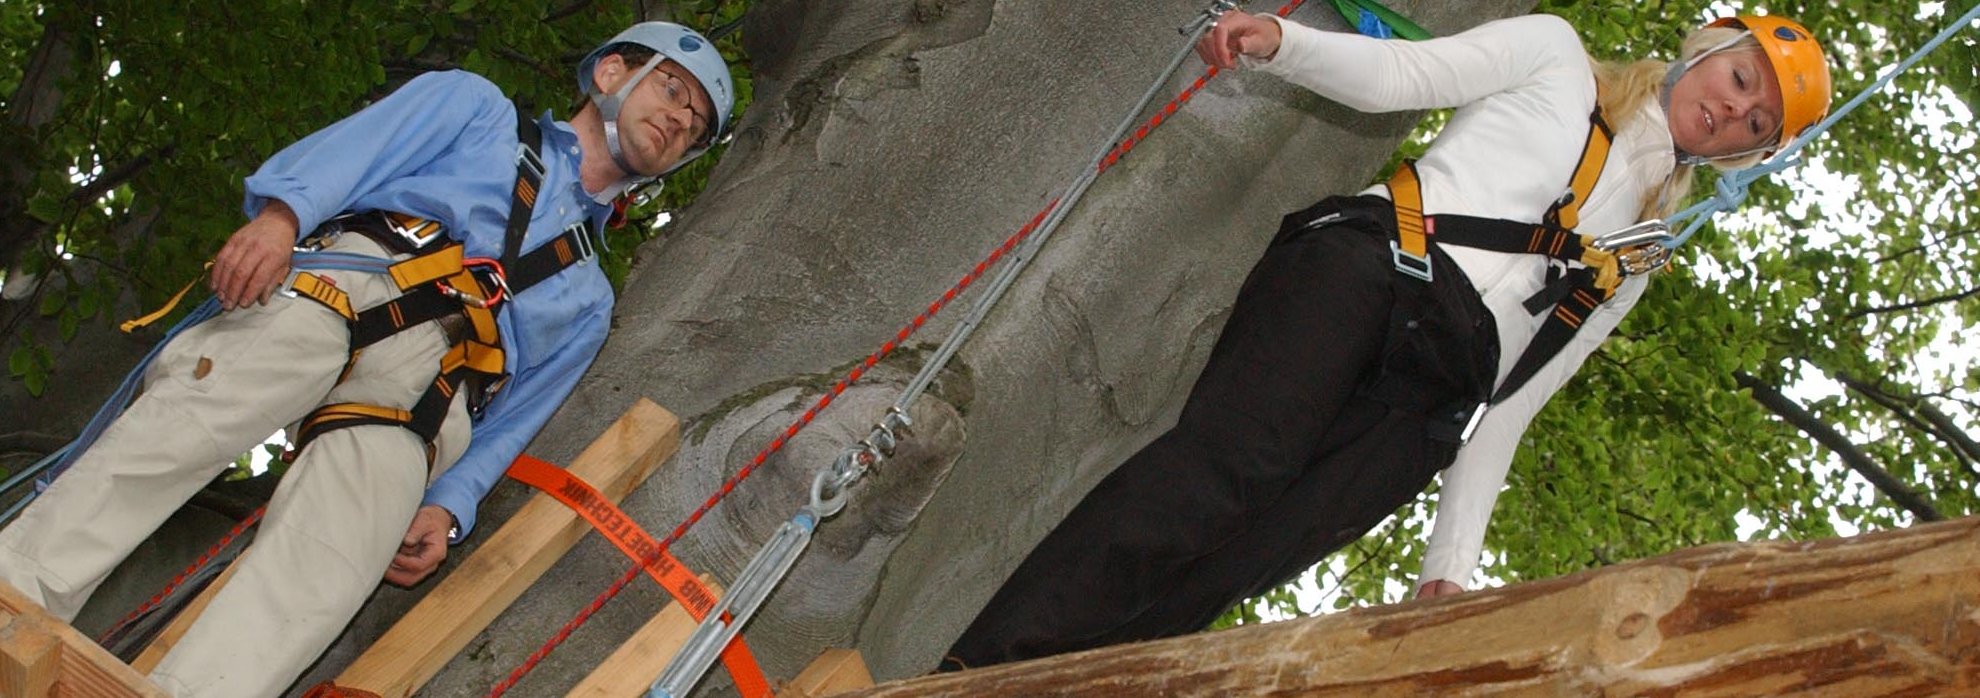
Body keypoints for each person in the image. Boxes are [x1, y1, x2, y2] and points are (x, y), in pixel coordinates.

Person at [941, 10, 1832, 668]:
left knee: (1236, 567)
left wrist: (1452, 567)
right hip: (1374, 272)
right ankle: (972, 670)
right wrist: (1285, 45)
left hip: (1430, 400)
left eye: (1756, 126)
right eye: (1741, 81)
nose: (1731, 112)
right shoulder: (1556, 59)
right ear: (1708, 50)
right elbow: (1404, 76)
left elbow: (1511, 405)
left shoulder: (1627, 264)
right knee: (1225, 475)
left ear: (1745, 158)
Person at [0, 21, 735, 697]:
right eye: (672, 89)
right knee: (183, 426)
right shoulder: (476, 109)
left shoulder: (588, 299)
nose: (678, 119)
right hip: (346, 285)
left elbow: (518, 417)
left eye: (694, 126)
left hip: (433, 394)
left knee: (329, 563)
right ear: (611, 73)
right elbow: (355, 153)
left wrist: (451, 504)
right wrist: (281, 219)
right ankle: (14, 597)